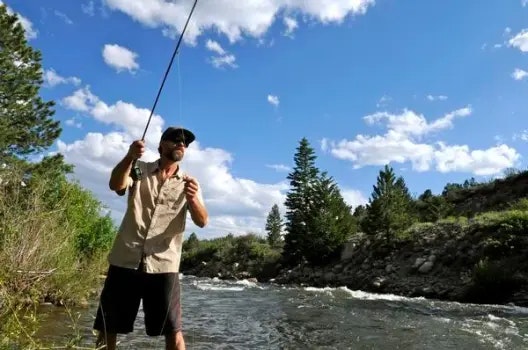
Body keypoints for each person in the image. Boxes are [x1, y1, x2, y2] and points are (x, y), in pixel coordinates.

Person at [93, 126, 208, 350]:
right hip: (125, 259)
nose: (181, 144)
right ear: (161, 145)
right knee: (108, 326)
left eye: (185, 143)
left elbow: (202, 221)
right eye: (175, 140)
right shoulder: (138, 169)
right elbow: (116, 185)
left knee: (173, 330)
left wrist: (193, 200)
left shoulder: (190, 183)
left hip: (164, 265)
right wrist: (130, 156)